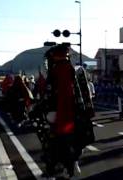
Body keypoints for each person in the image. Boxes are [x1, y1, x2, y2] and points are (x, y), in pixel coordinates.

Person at [38, 43, 95, 179]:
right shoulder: (76, 70)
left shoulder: (57, 70)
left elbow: (51, 95)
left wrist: (41, 107)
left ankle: (55, 168)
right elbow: (83, 94)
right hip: (77, 114)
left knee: (50, 139)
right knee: (73, 141)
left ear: (54, 58)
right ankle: (71, 164)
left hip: (60, 115)